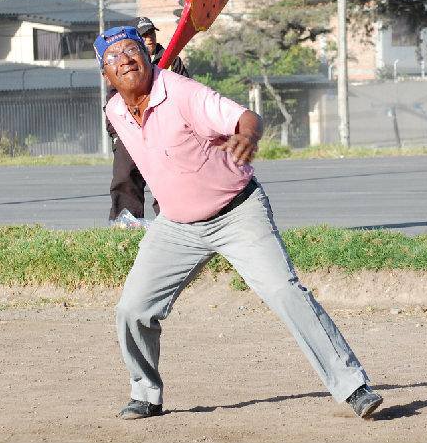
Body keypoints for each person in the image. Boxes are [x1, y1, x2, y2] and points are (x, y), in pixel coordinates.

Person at [95, 25, 383, 421]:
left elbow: (247, 117)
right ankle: (145, 393)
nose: (125, 59)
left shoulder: (183, 92)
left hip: (237, 212)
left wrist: (247, 135)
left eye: (131, 51)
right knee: (133, 309)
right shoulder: (115, 111)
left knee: (285, 291)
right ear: (107, 76)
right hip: (177, 227)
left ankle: (353, 387)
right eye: (114, 58)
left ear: (148, 56)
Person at [107, 17, 188, 221]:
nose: (149, 38)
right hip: (130, 128)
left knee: (168, 178)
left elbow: (187, 89)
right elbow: (112, 100)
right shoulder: (122, 64)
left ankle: (173, 221)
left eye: (151, 32)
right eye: (143, 34)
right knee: (125, 177)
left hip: (164, 129)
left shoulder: (171, 60)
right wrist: (116, 134)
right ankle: (125, 223)